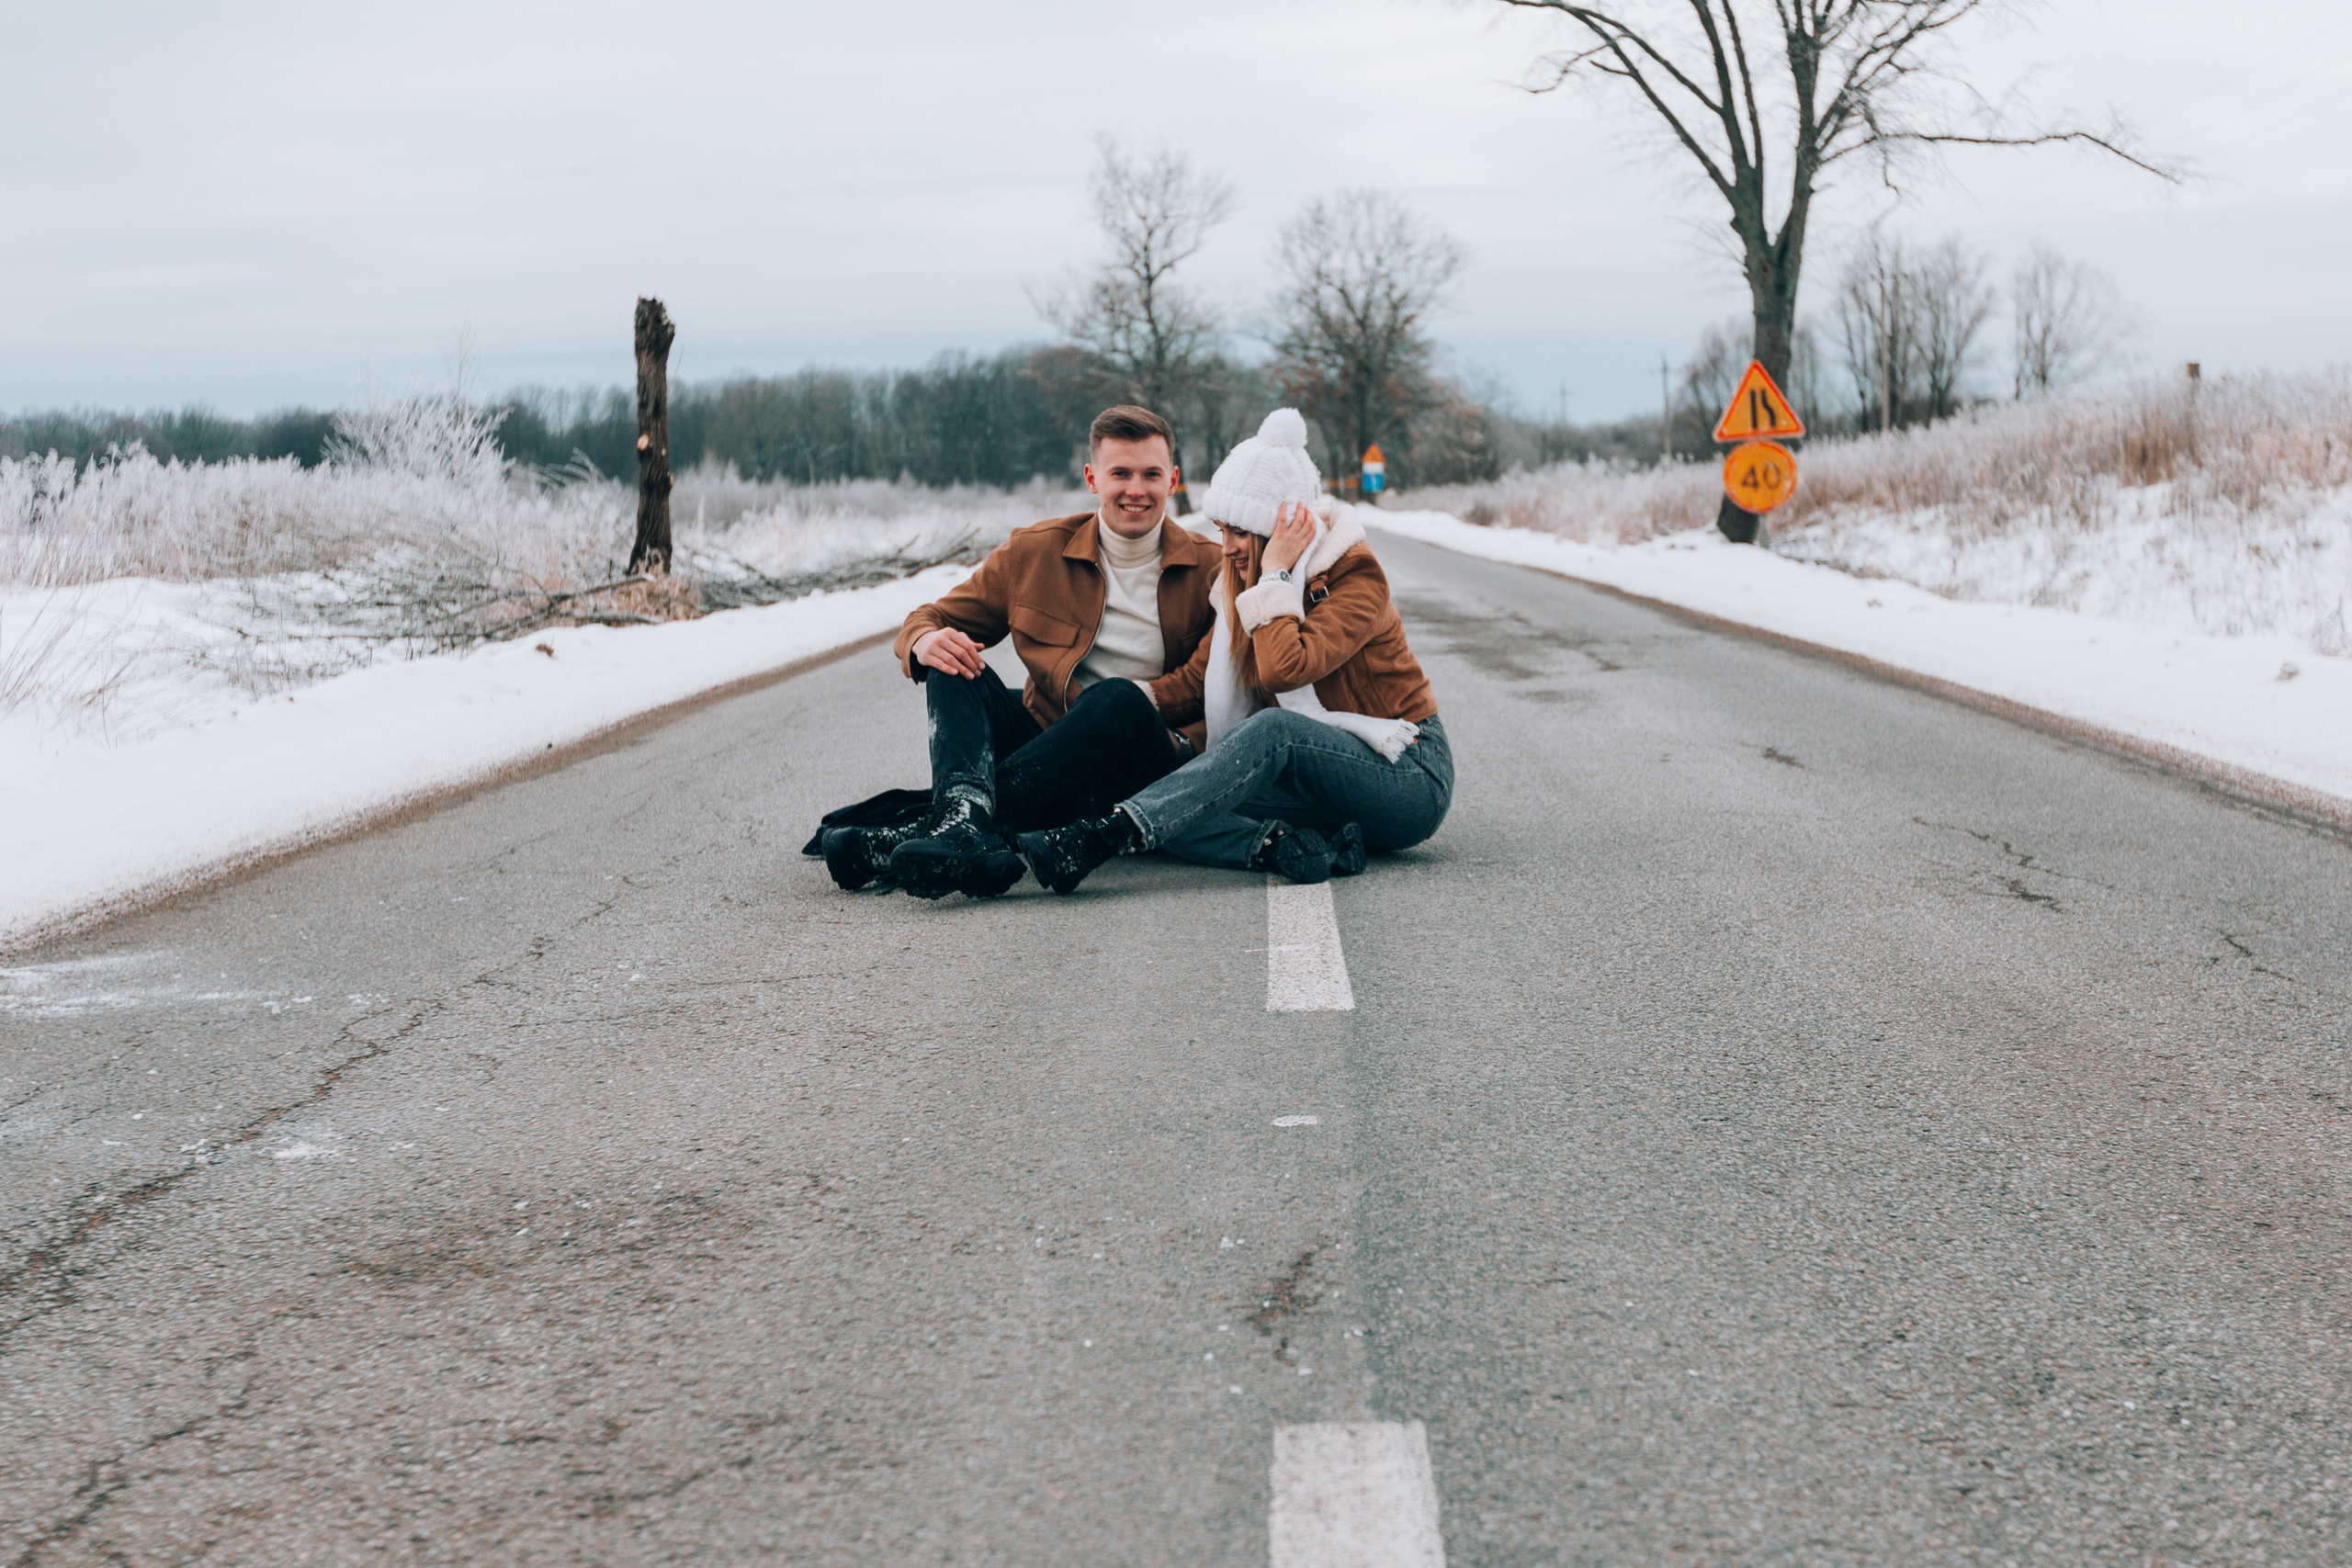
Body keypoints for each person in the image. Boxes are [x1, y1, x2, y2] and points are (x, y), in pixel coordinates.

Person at [1016, 408, 1453, 895]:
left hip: (1406, 774)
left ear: (1279, 531)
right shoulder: (1239, 590)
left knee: (1274, 731)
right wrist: (1104, 711)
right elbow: (1192, 684)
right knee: (1172, 788)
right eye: (1222, 530)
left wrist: (1276, 576)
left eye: (1240, 532)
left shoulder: (1353, 578)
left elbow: (1287, 669)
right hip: (1313, 786)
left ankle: (1106, 837)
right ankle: (1286, 845)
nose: (1225, 547)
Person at [818, 405, 1224, 899]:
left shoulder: (1212, 569)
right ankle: (961, 819)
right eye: (1121, 473)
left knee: (1117, 698)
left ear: (1174, 480)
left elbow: (1214, 681)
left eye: (1151, 475)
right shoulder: (1036, 553)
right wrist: (924, 642)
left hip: (1143, 761)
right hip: (1048, 741)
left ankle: (934, 828)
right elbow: (928, 619)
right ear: (1093, 478)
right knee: (953, 659)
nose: (1135, 489)